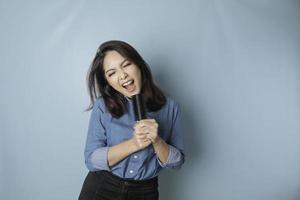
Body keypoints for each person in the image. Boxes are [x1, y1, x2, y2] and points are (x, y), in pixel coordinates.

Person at [78, 40, 185, 200]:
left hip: (145, 192)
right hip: (102, 187)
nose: (122, 75)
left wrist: (156, 140)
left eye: (126, 65)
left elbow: (177, 162)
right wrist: (134, 144)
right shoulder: (102, 106)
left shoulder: (169, 107)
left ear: (138, 64)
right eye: (111, 73)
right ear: (107, 81)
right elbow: (91, 160)